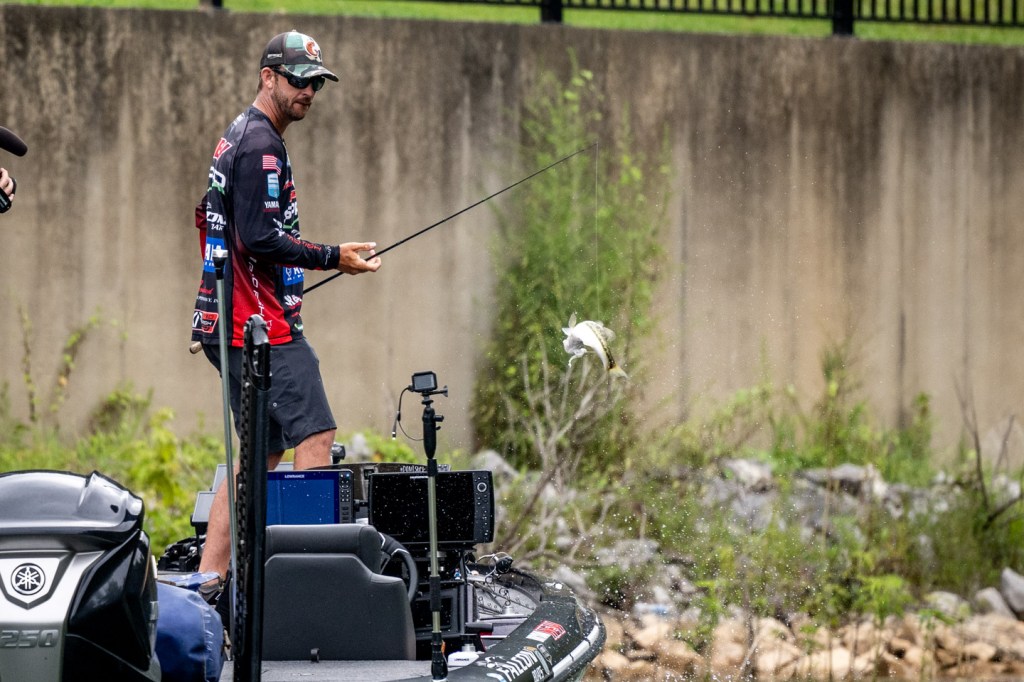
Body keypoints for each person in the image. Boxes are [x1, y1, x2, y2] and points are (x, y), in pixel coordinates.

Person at [190, 30, 382, 594]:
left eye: (316, 83)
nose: (309, 92)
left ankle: (208, 582)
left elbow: (214, 218)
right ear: (267, 77)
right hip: (259, 327)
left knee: (259, 454)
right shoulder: (261, 146)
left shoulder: (240, 135)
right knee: (316, 435)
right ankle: (303, 584)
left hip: (231, 320)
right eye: (299, 80)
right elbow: (259, 238)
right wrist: (332, 257)